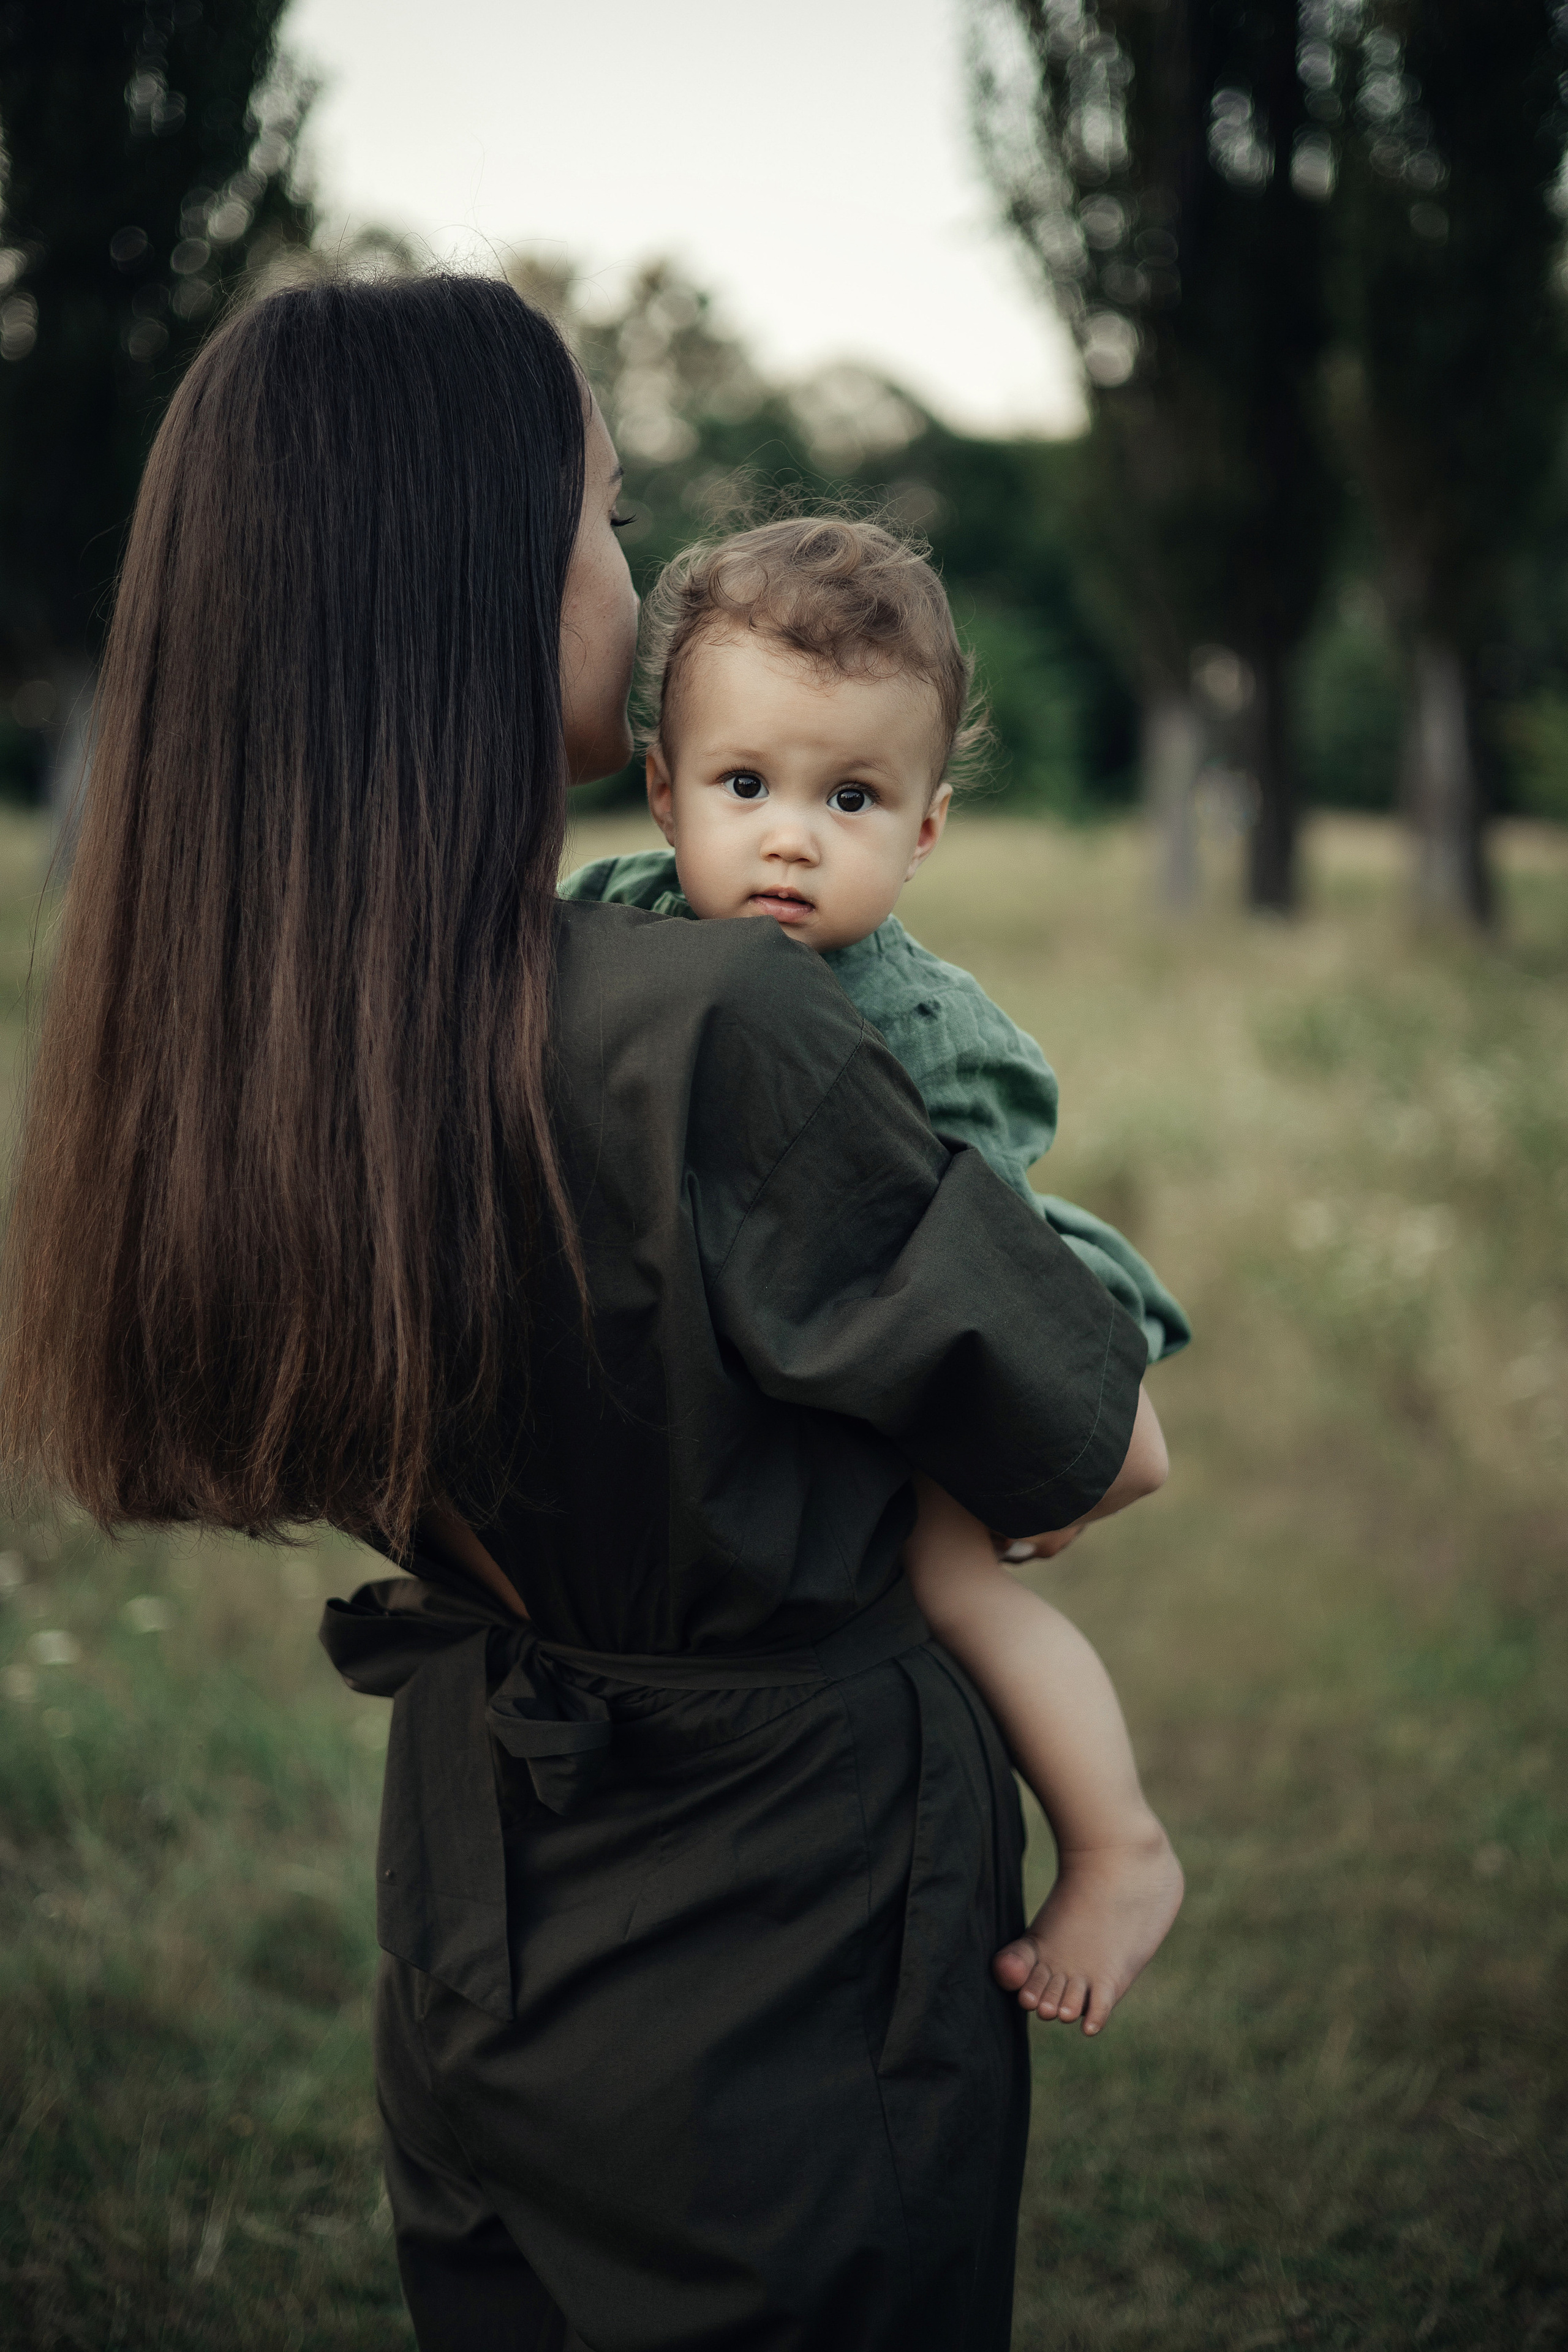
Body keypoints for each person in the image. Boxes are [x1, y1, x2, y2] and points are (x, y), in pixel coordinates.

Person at [0, 275, 1158, 2352]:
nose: (624, 572)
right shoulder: (709, 1031)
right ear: (484, 581)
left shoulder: (267, 1047)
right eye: (605, 514)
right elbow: (1100, 1442)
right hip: (786, 1925)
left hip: (476, 1903)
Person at [561, 516, 1186, 2038]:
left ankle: (1117, 1845)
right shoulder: (624, 924)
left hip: (962, 1294)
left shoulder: (911, 1025)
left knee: (947, 1571)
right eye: (744, 786)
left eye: (850, 798)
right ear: (661, 790)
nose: (790, 836)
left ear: (921, 832)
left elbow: (960, 1240)